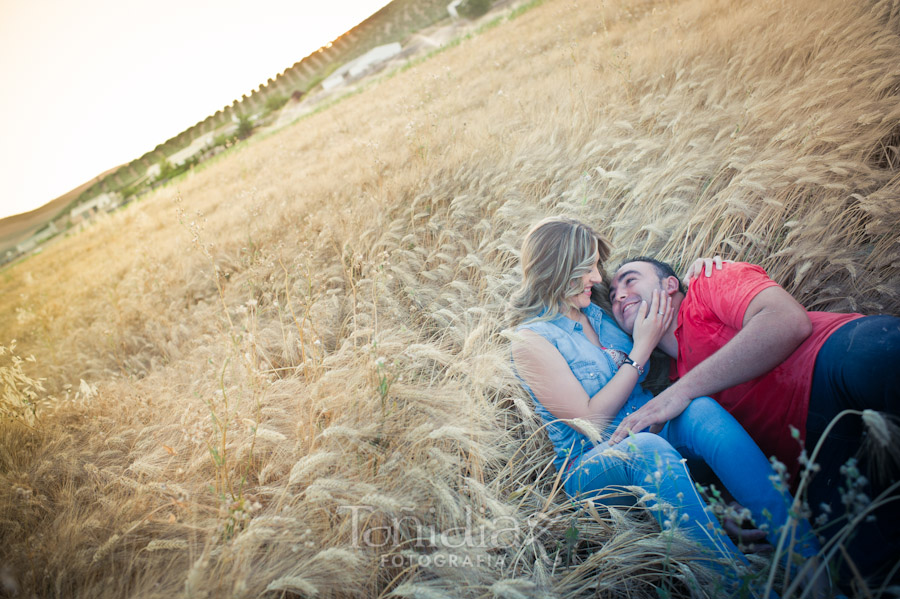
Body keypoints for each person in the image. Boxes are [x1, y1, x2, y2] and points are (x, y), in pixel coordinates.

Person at [510, 217, 822, 593]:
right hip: (593, 462)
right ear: (558, 269)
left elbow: (666, 302)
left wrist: (700, 270)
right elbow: (590, 419)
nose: (597, 278)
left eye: (596, 266)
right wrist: (641, 347)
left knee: (699, 408)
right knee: (646, 450)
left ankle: (808, 562)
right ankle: (746, 588)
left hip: (645, 424)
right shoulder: (531, 340)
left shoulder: (600, 310)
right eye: (587, 268)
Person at [606, 256, 900, 587]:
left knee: (886, 361)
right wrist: (727, 508)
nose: (619, 295)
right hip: (814, 455)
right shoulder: (675, 387)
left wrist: (680, 393)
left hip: (828, 361)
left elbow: (788, 321)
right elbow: (717, 463)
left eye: (629, 280)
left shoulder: (707, 284)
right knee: (860, 574)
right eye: (613, 293)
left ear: (670, 284)